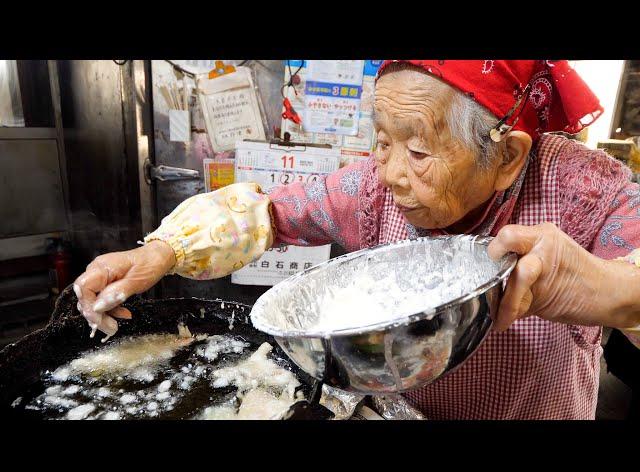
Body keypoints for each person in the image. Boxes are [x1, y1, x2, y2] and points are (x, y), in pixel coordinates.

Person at [73, 60, 640, 419]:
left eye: (417, 151)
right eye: (380, 141)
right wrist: (158, 253)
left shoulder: (585, 191)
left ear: (509, 154)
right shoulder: (372, 190)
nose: (391, 172)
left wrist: (603, 289)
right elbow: (269, 212)